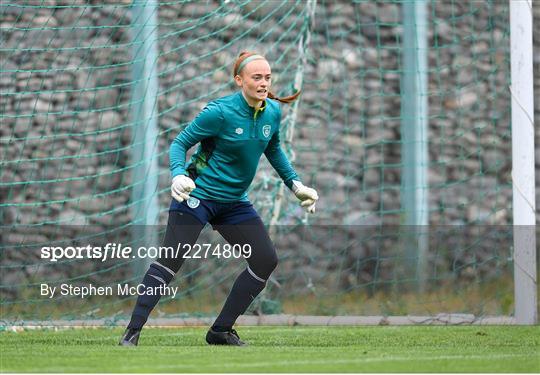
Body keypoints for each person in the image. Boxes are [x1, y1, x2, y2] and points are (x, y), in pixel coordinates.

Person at [119, 51, 319, 346]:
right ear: (239, 80)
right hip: (197, 195)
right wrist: (178, 174)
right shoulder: (220, 112)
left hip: (234, 202)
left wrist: (296, 184)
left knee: (265, 260)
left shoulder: (273, 112)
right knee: (171, 261)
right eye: (257, 77)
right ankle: (132, 333)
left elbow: (273, 149)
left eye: (268, 77)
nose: (264, 83)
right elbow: (180, 143)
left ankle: (220, 331)